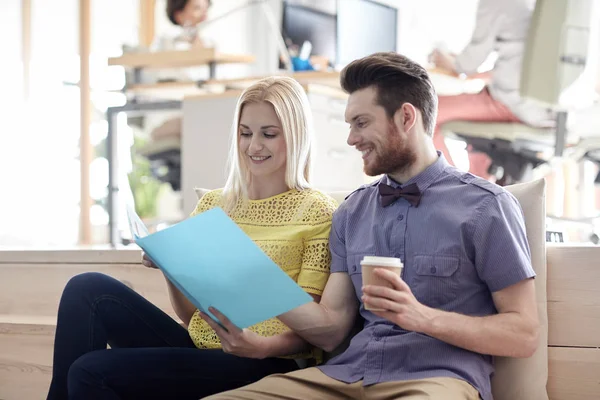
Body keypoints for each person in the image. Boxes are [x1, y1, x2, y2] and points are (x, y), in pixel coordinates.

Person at [203, 52, 540, 400]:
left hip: (435, 381)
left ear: (406, 116)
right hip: (346, 376)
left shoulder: (486, 206)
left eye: (361, 123)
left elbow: (523, 333)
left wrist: (421, 317)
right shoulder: (352, 211)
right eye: (350, 125)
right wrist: (250, 273)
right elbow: (331, 330)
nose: (351, 139)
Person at [46, 76, 338, 400]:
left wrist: (261, 347)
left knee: (89, 371)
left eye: (268, 134)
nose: (254, 146)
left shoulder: (316, 212)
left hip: (264, 359)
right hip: (201, 346)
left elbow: (310, 328)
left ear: (295, 136)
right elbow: (190, 316)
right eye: (245, 133)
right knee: (87, 288)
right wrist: (171, 267)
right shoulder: (215, 203)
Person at [429, 0, 552, 181]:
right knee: (477, 138)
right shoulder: (538, 5)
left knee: (424, 113)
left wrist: (447, 60)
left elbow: (467, 64)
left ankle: (453, 191)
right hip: (544, 110)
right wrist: (478, 74)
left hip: (512, 105)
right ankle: (478, 194)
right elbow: (523, 60)